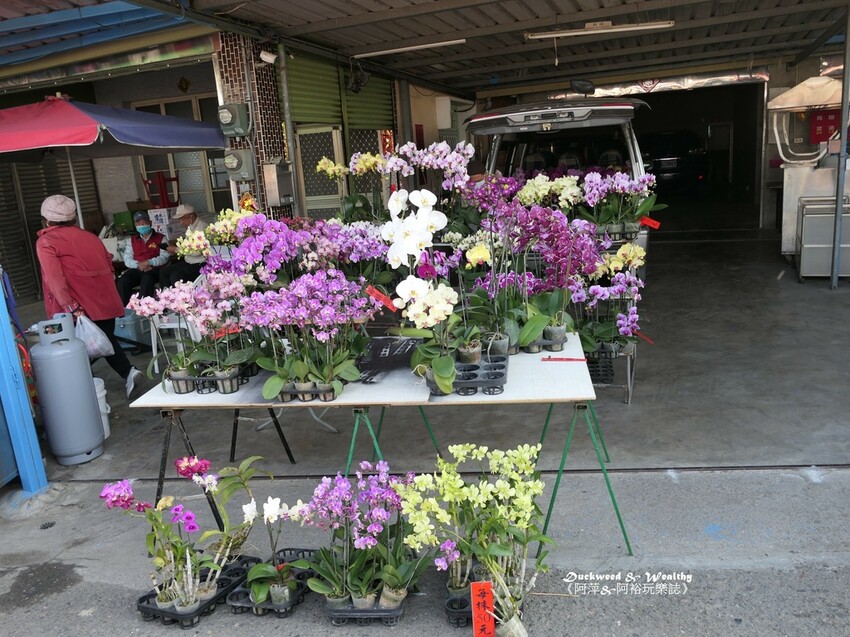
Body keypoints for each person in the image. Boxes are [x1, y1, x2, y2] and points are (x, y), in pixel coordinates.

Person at [35, 195, 144, 398]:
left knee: (75, 352)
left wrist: (71, 306)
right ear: (73, 217)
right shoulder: (90, 237)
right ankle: (128, 372)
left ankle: (88, 396)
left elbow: (54, 279)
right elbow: (109, 265)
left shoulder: (46, 242)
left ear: (46, 220)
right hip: (105, 302)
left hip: (76, 309)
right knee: (105, 341)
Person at [117, 210, 169, 305]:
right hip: (137, 268)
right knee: (123, 280)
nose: (141, 224)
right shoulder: (132, 240)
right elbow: (127, 258)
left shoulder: (161, 238)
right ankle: (125, 309)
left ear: (150, 222)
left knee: (147, 278)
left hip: (154, 269)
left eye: (144, 222)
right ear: (135, 225)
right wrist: (138, 265)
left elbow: (164, 257)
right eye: (138, 222)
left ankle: (143, 308)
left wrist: (150, 262)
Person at [158, 204, 209, 288]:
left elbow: (197, 252)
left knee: (176, 276)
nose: (181, 222)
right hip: (189, 261)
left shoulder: (202, 227)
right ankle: (166, 294)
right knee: (164, 272)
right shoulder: (190, 227)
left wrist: (177, 250)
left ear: (191, 216)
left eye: (182, 219)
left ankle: (182, 295)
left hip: (200, 263)